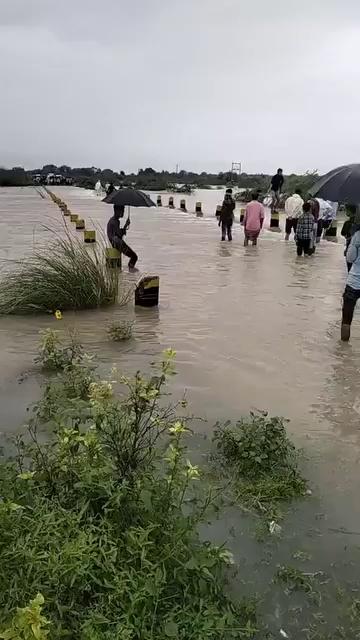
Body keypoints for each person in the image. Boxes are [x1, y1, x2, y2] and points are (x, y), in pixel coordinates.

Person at [341, 228, 360, 341]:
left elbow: (350, 258)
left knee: (347, 317)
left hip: (355, 280)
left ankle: (343, 347)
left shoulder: (358, 235)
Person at [107, 204, 138, 269]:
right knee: (134, 257)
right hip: (118, 243)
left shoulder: (112, 220)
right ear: (116, 211)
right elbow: (119, 234)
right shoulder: (115, 221)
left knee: (116, 268)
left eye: (123, 210)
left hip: (115, 243)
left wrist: (124, 228)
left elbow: (116, 233)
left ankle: (129, 272)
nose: (123, 212)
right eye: (122, 210)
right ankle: (132, 274)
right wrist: (126, 225)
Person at [341, 205, 358, 272]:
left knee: (350, 268)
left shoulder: (348, 223)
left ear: (350, 212)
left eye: (347, 210)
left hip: (350, 247)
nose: (346, 212)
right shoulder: (356, 223)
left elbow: (343, 233)